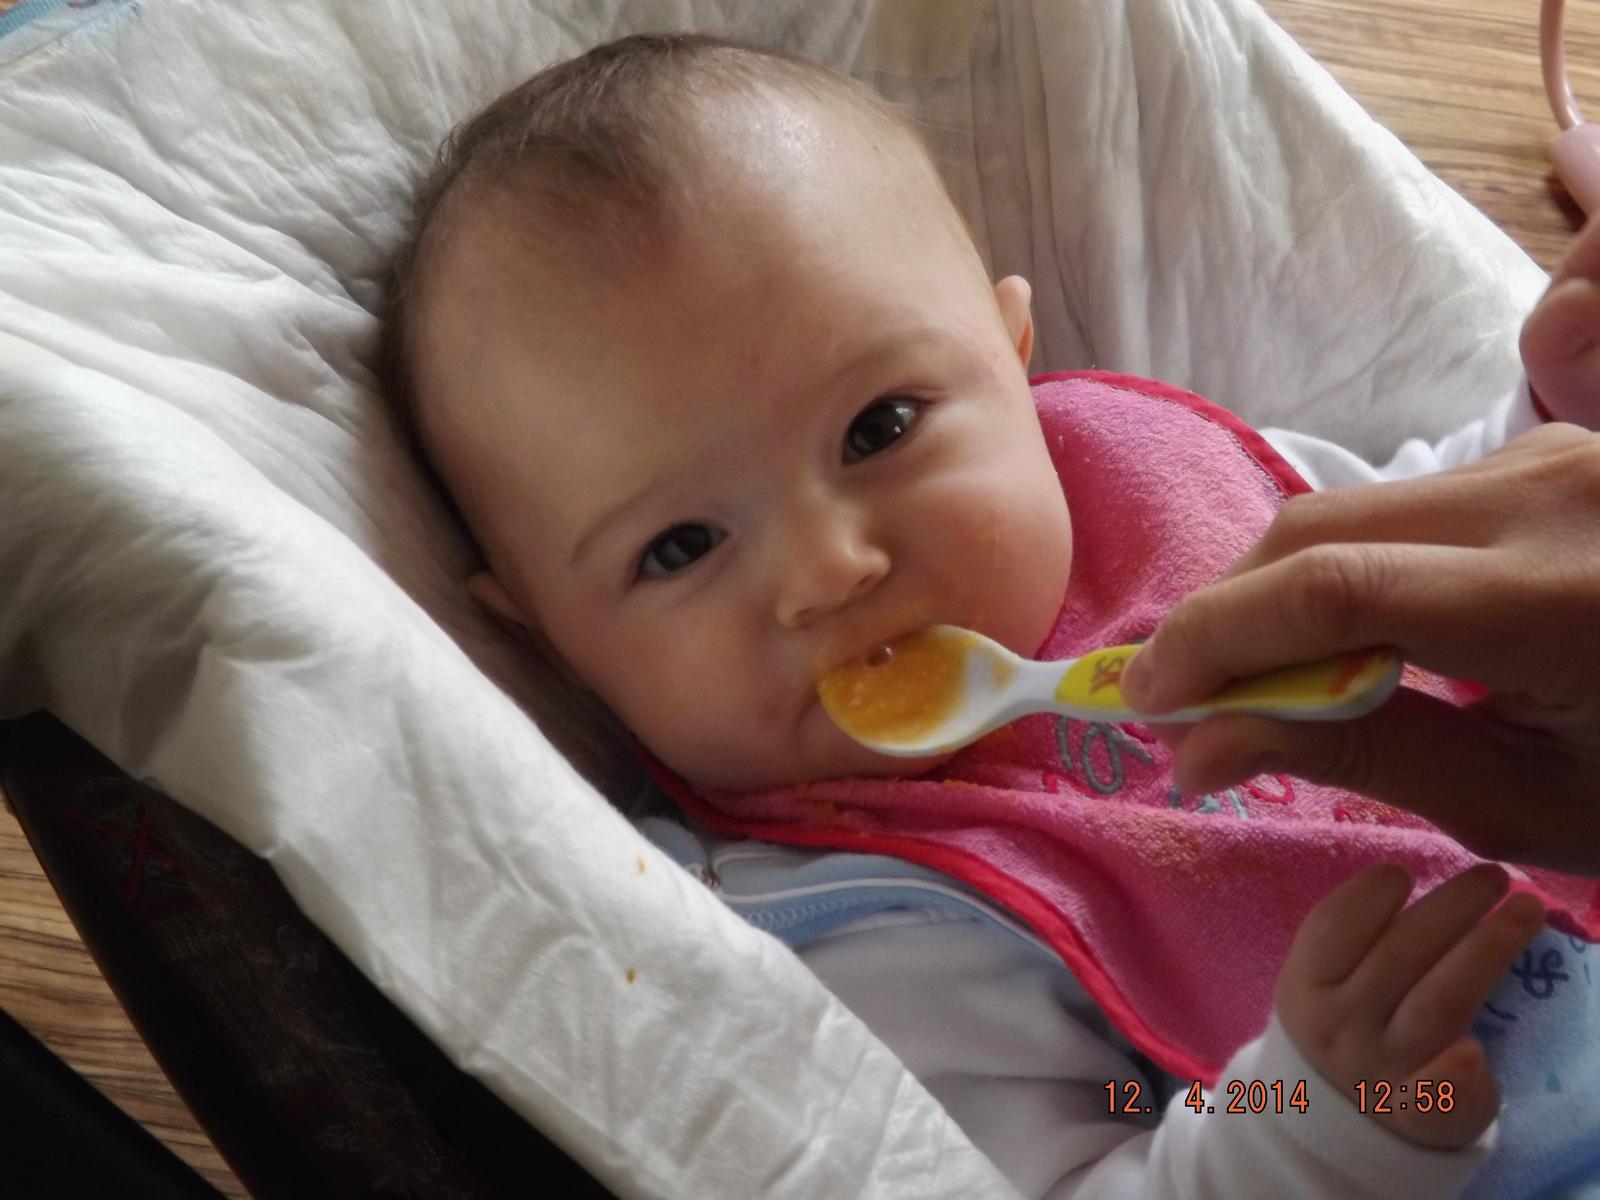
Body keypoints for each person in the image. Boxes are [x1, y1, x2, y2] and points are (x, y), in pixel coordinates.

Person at [380, 32, 1600, 1199]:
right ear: (546, 638)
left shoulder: (1148, 491)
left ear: (1012, 355)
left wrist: (1546, 419)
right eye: (680, 547)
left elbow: (1420, 558)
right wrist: (1310, 1131)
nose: (831, 568)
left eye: (879, 429)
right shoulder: (862, 927)